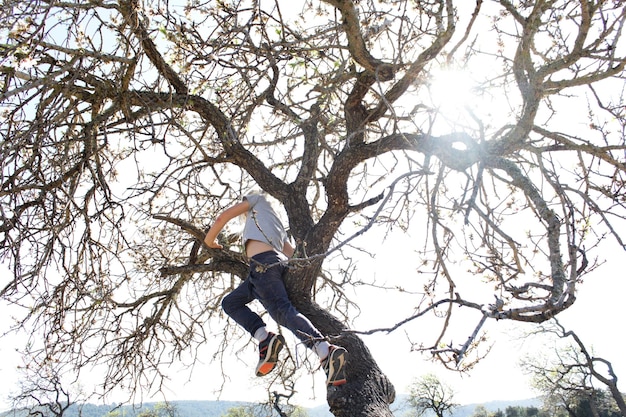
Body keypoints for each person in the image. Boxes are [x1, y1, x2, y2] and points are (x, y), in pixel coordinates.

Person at [204, 192, 347, 386]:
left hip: (264, 266)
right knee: (230, 302)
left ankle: (324, 349)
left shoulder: (256, 199)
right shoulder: (276, 225)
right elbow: (293, 255)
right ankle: (265, 338)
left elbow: (223, 217)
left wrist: (210, 241)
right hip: (268, 269)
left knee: (282, 310)